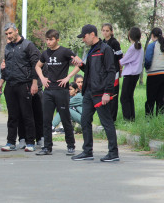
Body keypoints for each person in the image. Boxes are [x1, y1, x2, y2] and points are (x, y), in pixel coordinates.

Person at [71, 24, 119, 162]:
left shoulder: (106, 49)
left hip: (100, 93)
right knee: (85, 120)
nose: (83, 40)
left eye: (84, 37)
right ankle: (87, 152)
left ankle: (113, 153)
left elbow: (111, 71)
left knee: (106, 122)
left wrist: (107, 92)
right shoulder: (91, 50)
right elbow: (90, 72)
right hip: (88, 92)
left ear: (92, 34)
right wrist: (81, 65)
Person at [35, 29, 82, 156]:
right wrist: (42, 78)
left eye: (51, 39)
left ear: (57, 39)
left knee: (65, 118)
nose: (49, 42)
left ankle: (71, 146)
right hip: (48, 91)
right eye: (47, 40)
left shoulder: (65, 51)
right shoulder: (45, 53)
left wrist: (68, 77)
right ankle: (47, 147)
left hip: (61, 90)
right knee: (46, 119)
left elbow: (80, 63)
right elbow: (37, 66)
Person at [0, 23, 40, 152]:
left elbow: (35, 65)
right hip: (10, 85)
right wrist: (0, 83)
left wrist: (34, 83)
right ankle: (10, 142)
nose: (8, 36)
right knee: (12, 116)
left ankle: (30, 142)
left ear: (16, 31)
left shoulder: (28, 45)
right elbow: (5, 66)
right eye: (6, 34)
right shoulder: (8, 47)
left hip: (24, 84)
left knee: (27, 114)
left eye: (10, 33)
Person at [119, 27, 143, 121]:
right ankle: (132, 118)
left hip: (129, 75)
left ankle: (127, 119)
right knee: (129, 96)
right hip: (136, 74)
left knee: (124, 98)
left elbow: (123, 61)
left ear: (130, 36)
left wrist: (120, 59)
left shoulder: (133, 48)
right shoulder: (139, 47)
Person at [102, 23, 123, 122]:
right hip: (104, 73)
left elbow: (120, 58)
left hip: (114, 73)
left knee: (113, 95)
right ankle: (106, 117)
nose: (105, 33)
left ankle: (112, 118)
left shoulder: (114, 43)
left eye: (107, 30)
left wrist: (120, 69)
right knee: (105, 94)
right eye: (103, 30)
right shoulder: (101, 43)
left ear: (111, 32)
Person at [144, 27, 164, 116]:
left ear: (152, 35)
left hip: (154, 74)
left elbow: (148, 59)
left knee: (151, 98)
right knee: (161, 98)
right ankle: (160, 116)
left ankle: (149, 118)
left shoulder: (152, 45)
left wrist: (147, 68)